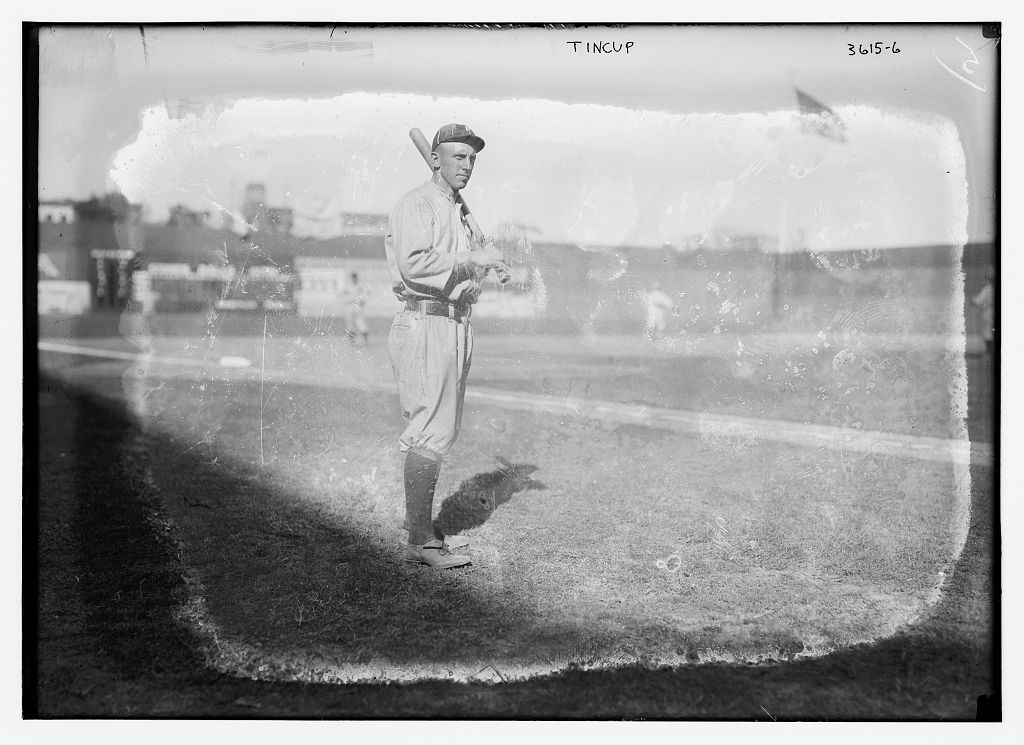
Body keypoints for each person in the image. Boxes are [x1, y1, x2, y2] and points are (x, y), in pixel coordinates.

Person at [384, 123, 507, 569]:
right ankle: (420, 541)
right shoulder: (415, 204)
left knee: (442, 429)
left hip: (455, 323)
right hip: (425, 322)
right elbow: (414, 265)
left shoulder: (456, 212)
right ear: (435, 159)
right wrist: (472, 259)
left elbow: (463, 273)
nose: (467, 165)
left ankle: (420, 527)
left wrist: (486, 265)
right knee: (429, 429)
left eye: (472, 158)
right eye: (458, 156)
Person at [341, 271, 369, 345]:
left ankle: (365, 341)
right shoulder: (347, 286)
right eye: (353, 277)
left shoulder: (360, 285)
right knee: (350, 324)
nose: (354, 278)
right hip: (349, 306)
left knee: (361, 323)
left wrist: (362, 301)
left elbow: (365, 294)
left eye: (355, 277)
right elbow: (342, 295)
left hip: (357, 306)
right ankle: (352, 342)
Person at [972, 270, 994, 358]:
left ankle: (990, 353)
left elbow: (978, 301)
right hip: (990, 312)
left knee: (988, 333)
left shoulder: (988, 288)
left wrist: (972, 300)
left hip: (989, 313)